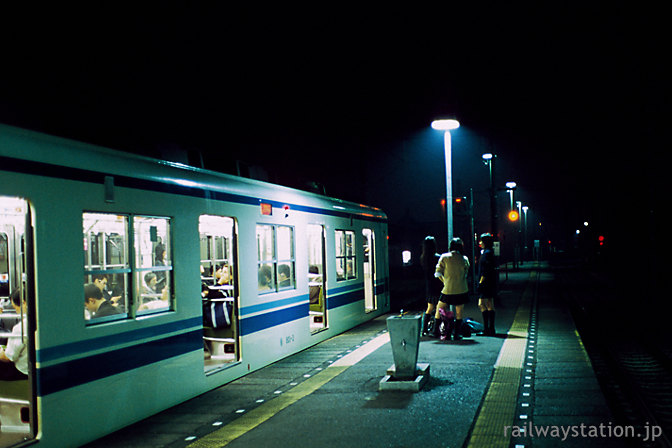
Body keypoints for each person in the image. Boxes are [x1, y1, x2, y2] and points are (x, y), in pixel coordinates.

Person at [434, 238, 471, 340]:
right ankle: (457, 334)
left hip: (448, 289)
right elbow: (466, 273)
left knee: (439, 308)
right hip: (461, 289)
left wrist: (445, 281)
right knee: (459, 313)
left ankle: (435, 331)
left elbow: (437, 273)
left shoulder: (444, 257)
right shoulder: (464, 259)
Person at [0, 289, 29, 380]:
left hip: (23, 371)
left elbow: (8, 358)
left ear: (23, 303)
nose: (16, 311)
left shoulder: (21, 327)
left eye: (15, 307)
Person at [419, 236, 442, 336]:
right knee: (438, 307)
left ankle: (424, 329)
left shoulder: (423, 258)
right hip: (438, 284)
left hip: (429, 285)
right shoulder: (438, 257)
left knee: (429, 308)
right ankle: (435, 329)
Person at [477, 233, 497, 336]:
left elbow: (485, 270)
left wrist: (480, 282)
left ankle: (486, 329)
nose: (480, 242)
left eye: (481, 241)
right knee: (490, 304)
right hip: (490, 282)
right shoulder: (489, 252)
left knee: (481, 304)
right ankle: (491, 329)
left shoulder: (487, 253)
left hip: (485, 283)